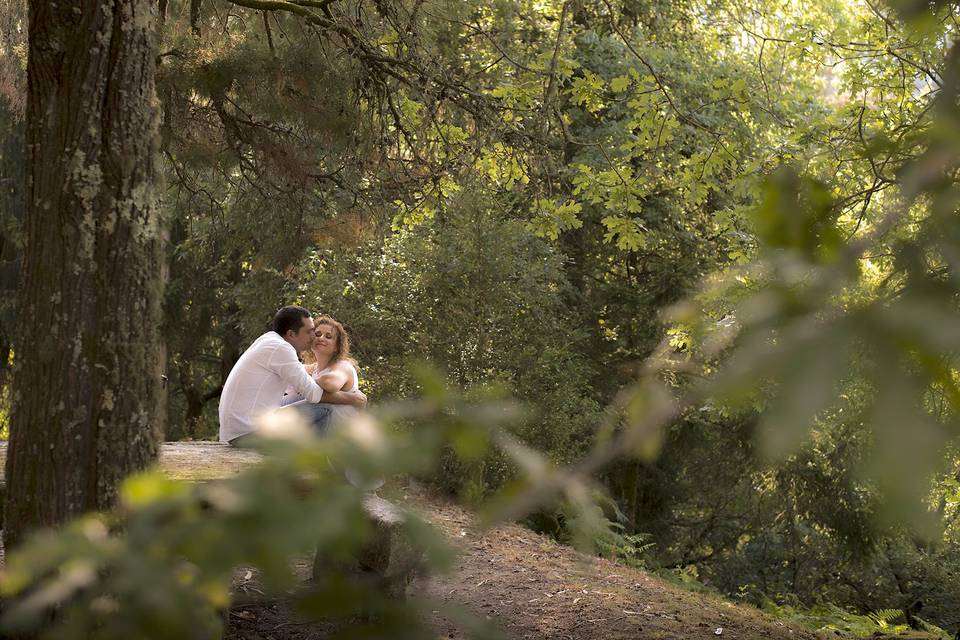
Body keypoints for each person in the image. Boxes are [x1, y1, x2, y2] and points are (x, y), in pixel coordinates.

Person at [218, 306, 366, 445]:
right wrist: (352, 398)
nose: (314, 337)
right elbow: (314, 395)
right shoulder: (282, 348)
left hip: (238, 430)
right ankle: (316, 467)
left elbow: (307, 375)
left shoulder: (268, 340)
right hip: (249, 433)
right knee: (325, 407)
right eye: (309, 332)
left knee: (292, 404)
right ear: (291, 334)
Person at [282, 314, 361, 426]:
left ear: (336, 347)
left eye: (328, 336)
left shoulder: (343, 366)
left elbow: (330, 384)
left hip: (337, 431)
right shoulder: (310, 368)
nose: (321, 338)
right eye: (317, 334)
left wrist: (302, 382)